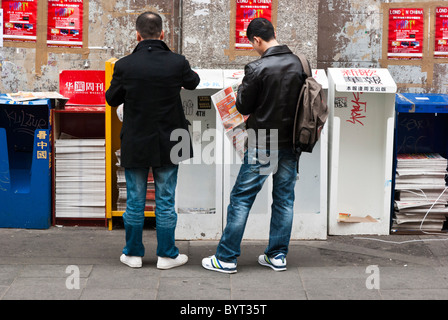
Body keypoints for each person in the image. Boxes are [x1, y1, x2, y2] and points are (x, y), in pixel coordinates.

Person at [202, 18, 306, 273]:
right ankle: (277, 255)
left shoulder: (257, 68)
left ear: (257, 40)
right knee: (284, 199)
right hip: (292, 141)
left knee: (241, 199)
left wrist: (240, 91)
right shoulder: (300, 63)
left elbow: (243, 106)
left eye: (252, 44)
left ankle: (226, 258)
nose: (253, 48)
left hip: (263, 141)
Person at [106, 11, 200, 269]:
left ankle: (133, 254)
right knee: (166, 200)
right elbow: (193, 82)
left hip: (136, 140)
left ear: (137, 35)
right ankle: (167, 255)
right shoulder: (177, 62)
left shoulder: (124, 65)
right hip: (171, 141)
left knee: (135, 200)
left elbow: (111, 98)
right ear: (162, 34)